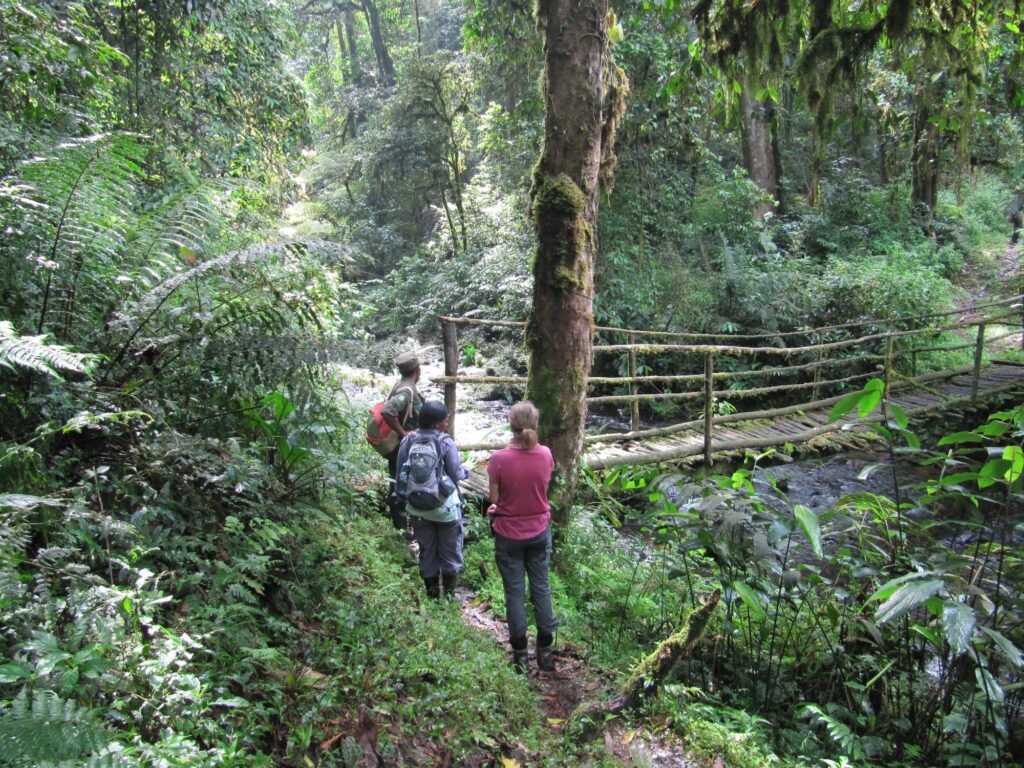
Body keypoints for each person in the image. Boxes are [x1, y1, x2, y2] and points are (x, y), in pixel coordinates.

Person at [486, 401, 558, 673]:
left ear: (511, 425)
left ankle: (519, 654)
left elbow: (494, 499)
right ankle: (545, 650)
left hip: (508, 533)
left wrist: (500, 504)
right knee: (541, 586)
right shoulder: (546, 454)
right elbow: (540, 487)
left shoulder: (499, 459)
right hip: (539, 531)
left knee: (514, 591)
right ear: (535, 424)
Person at [395, 401, 468, 599]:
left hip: (417, 508)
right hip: (445, 509)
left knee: (427, 550)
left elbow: (401, 472)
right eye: (445, 420)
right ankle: (450, 596)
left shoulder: (408, 441)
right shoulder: (445, 442)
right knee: (451, 549)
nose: (447, 422)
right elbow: (456, 474)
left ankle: (433, 596)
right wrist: (466, 471)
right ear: (438, 424)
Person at [381, 351, 424, 528]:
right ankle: (405, 527)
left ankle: (401, 525)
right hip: (404, 447)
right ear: (417, 370)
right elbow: (388, 411)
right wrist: (403, 433)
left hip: (398, 447)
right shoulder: (407, 390)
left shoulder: (400, 385)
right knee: (405, 484)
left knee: (397, 481)